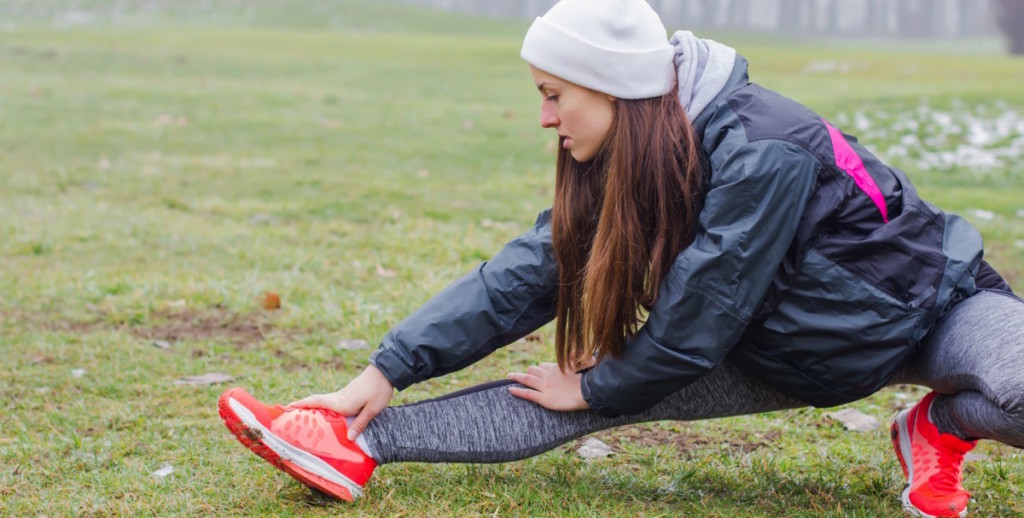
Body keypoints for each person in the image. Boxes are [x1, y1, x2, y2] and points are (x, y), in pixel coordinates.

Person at [217, 0, 1023, 516]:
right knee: (579, 397)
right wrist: (385, 370)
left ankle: (939, 425)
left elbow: (699, 315)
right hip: (782, 352)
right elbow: (528, 274)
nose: (543, 117)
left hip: (931, 312)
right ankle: (346, 441)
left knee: (1019, 390)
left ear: (610, 88)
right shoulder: (633, 157)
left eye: (552, 94)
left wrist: (599, 381)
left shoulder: (764, 147)